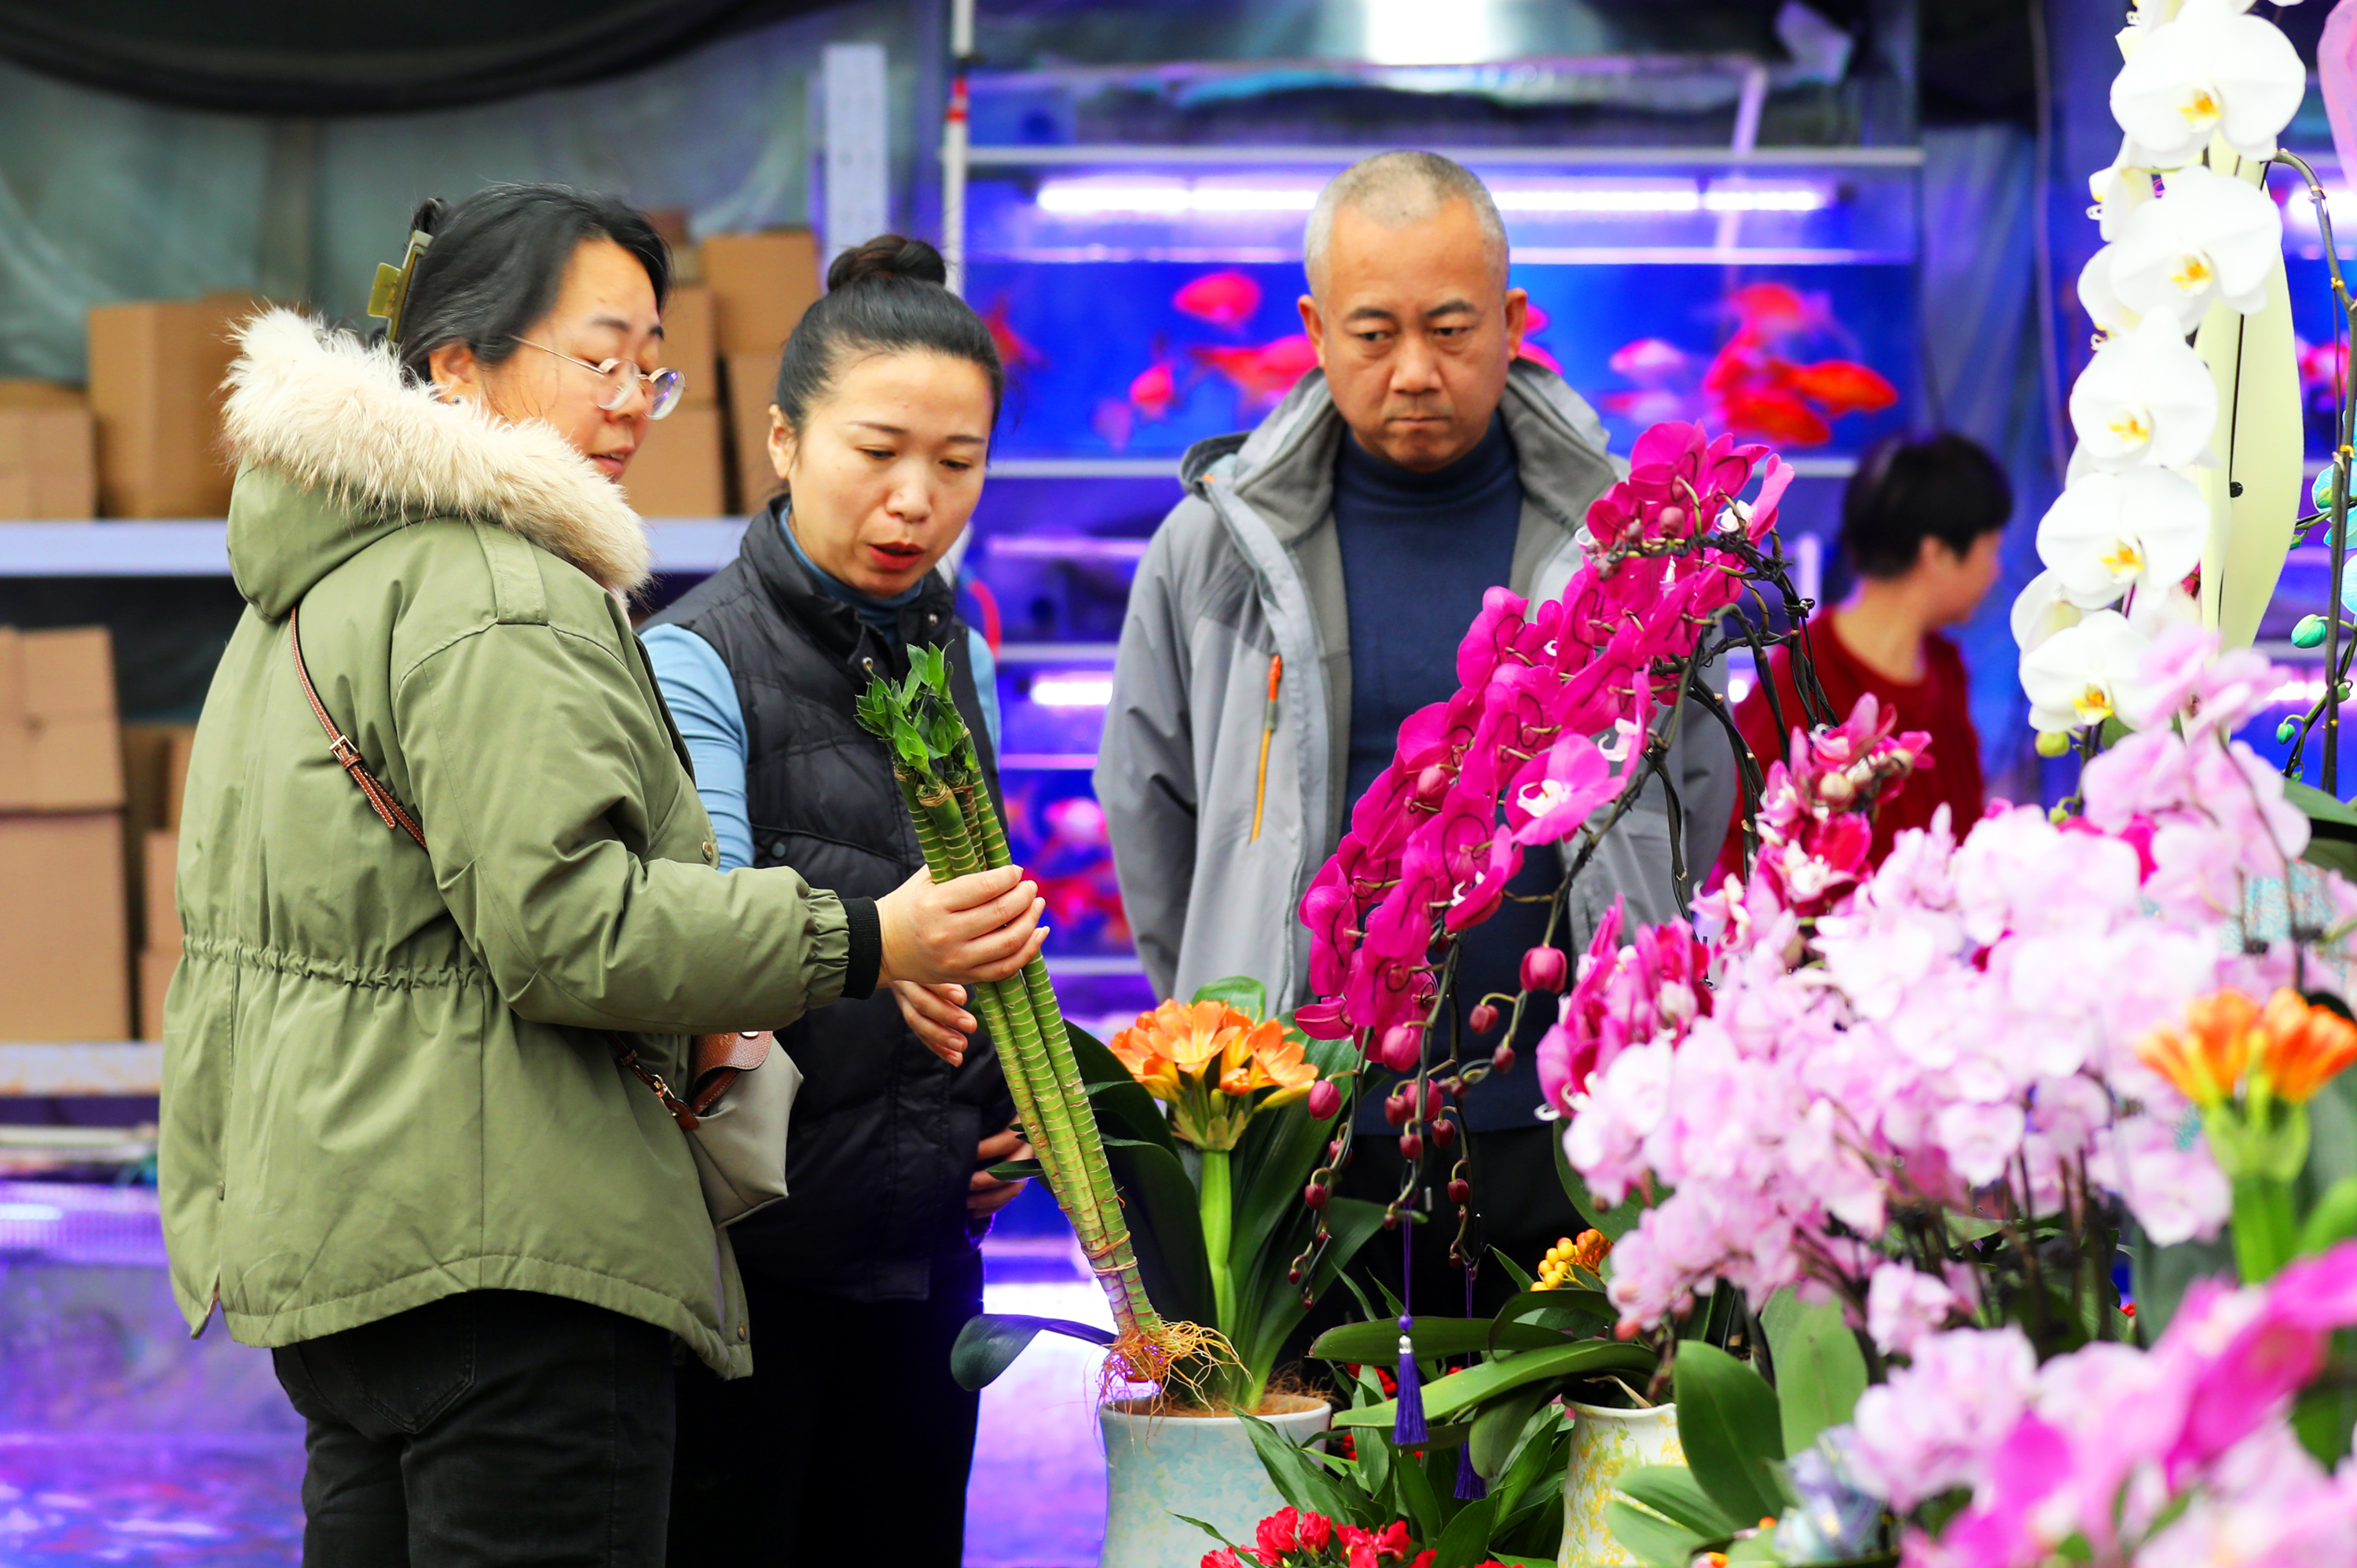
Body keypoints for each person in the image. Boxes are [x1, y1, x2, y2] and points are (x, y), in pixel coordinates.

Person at [157, 184, 1047, 1568]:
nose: (633, 401)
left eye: (653, 365)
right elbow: (572, 929)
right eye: (599, 357)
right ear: (458, 363)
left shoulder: (310, 585)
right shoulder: (502, 591)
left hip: (346, 1240)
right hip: (512, 1248)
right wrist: (870, 940)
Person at [1096, 151, 1735, 1321]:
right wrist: (1238, 986)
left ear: (1515, 320)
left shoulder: (1635, 543)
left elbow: (1699, 790)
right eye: (1374, 334)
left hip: (1575, 1126)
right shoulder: (1212, 551)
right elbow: (1151, 810)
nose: (1415, 372)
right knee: (1316, 1433)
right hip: (1308, 1132)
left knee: (1576, 1432)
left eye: (1450, 329)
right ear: (1313, 330)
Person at [642, 235, 1018, 1567]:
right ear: (784, 440)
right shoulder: (692, 658)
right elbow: (706, 949)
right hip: (753, 1261)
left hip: (926, 1257)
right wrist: (887, 952)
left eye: (958, 462)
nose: (916, 499)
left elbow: (977, 926)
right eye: (877, 451)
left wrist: (999, 1116)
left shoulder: (958, 646)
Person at [1713, 430, 2005, 885]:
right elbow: (1744, 848)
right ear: (1938, 554)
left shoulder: (1945, 667)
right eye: (1992, 549)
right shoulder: (1800, 678)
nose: (1995, 571)